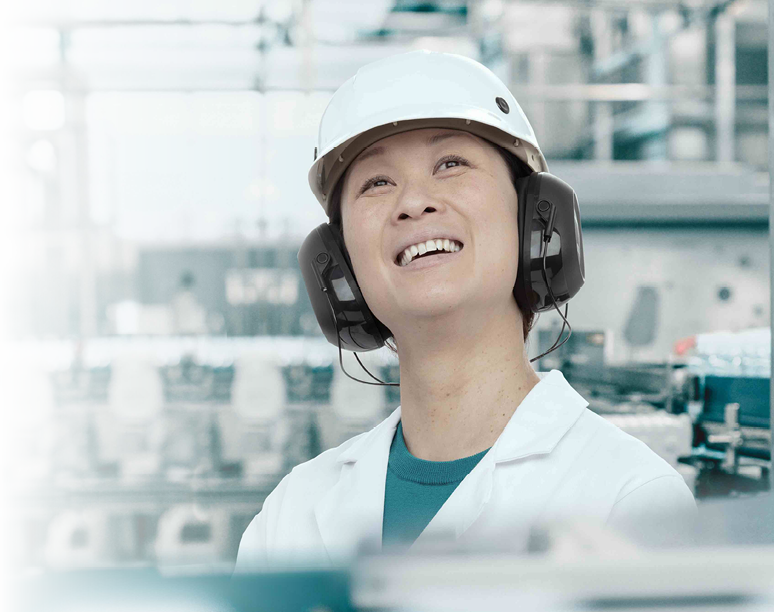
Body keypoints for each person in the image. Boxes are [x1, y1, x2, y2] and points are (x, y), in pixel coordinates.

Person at [234, 50, 696, 572]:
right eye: (376, 183)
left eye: (451, 164)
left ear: (535, 225)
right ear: (337, 267)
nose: (413, 202)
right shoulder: (290, 518)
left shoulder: (630, 500)